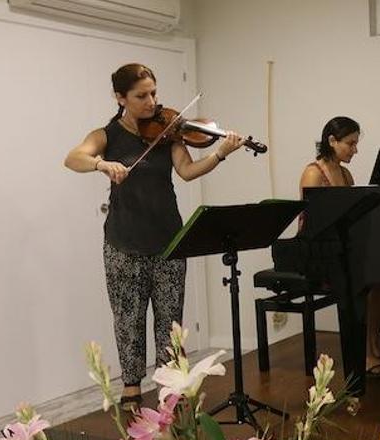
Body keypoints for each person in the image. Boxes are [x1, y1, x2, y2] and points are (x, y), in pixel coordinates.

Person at [64, 63, 246, 406]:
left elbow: (188, 171)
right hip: (124, 243)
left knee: (170, 320)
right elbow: (73, 158)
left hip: (169, 241)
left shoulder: (168, 133)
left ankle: (170, 391)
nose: (151, 102)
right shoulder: (106, 135)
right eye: (141, 96)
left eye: (153, 93)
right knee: (128, 319)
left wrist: (220, 152)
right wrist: (102, 164)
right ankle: (132, 390)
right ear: (120, 98)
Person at [299, 116, 380, 376]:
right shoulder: (314, 172)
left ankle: (373, 347)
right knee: (362, 284)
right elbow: (314, 223)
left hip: (341, 248)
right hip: (318, 252)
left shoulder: (345, 174)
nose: (355, 149)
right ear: (331, 141)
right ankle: (362, 357)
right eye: (350, 144)